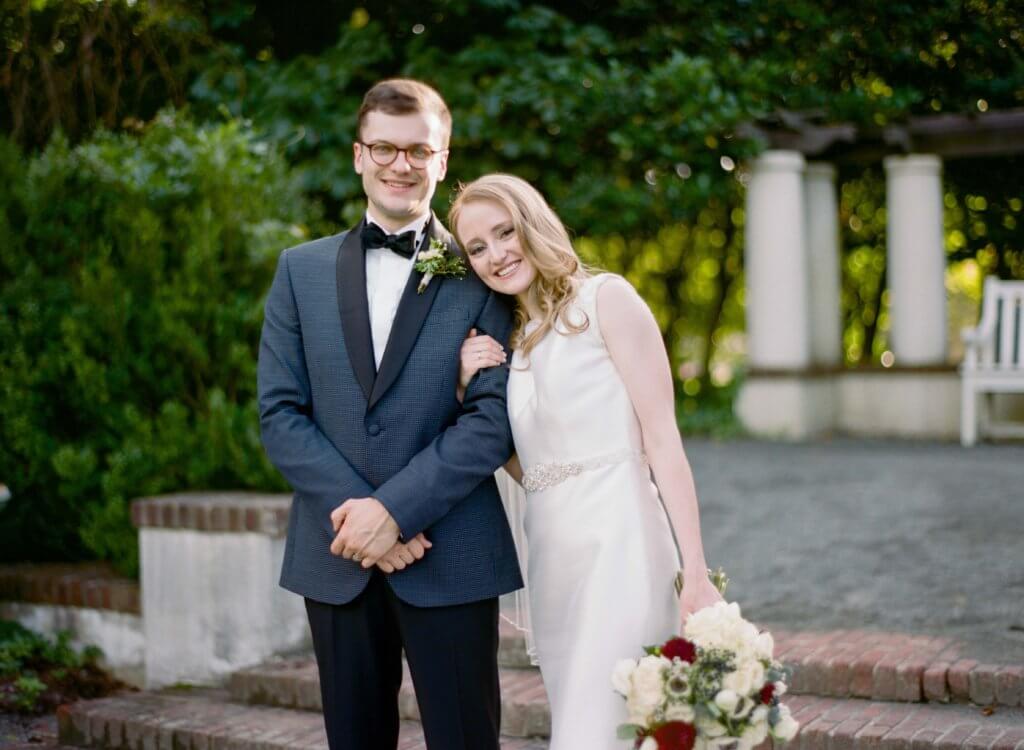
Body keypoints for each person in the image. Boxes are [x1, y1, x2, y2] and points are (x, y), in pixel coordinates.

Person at [257, 80, 522, 750]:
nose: (399, 164)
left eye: (417, 150)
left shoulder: (485, 271)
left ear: (441, 158)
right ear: (358, 154)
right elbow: (281, 414)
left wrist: (397, 511)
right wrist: (367, 516)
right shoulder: (299, 270)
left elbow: (492, 421)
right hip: (338, 551)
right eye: (384, 148)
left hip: (452, 551)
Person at [449, 173, 724, 749]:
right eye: (477, 247)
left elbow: (663, 440)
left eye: (505, 232)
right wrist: (464, 390)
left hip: (622, 545)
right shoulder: (512, 342)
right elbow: (533, 470)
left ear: (533, 224)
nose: (496, 255)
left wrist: (694, 573)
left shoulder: (607, 299)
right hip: (554, 562)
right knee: (584, 717)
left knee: (609, 727)